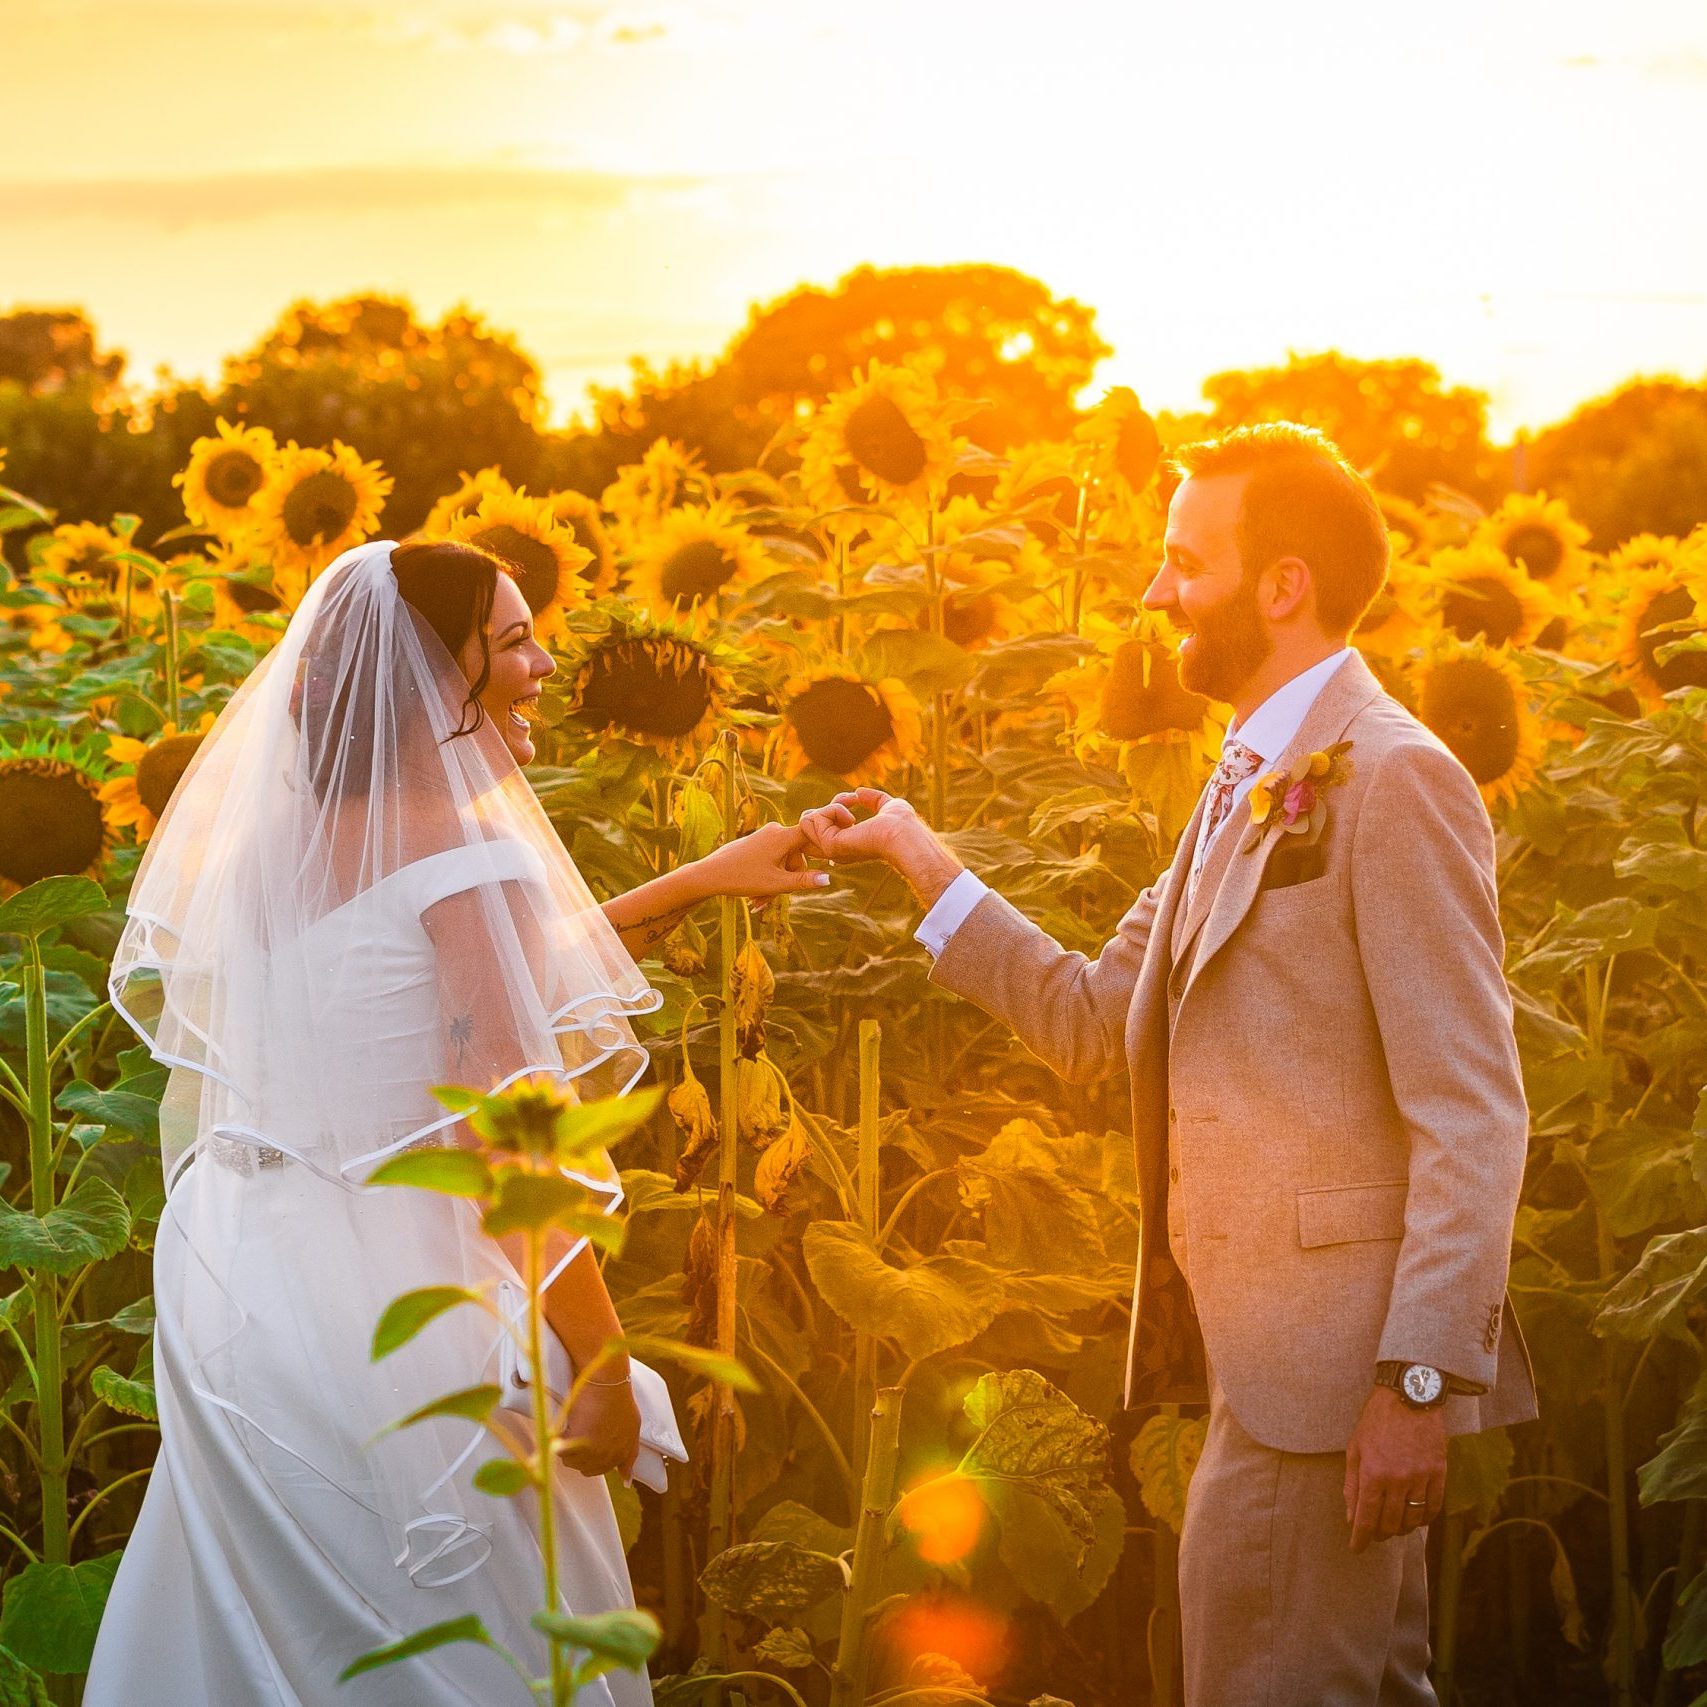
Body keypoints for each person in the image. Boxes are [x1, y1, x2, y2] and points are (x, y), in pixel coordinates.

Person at [800, 424, 1538, 1706]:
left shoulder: (1397, 780)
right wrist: (923, 862)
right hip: (1259, 1362)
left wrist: (1415, 1384)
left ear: (1282, 584)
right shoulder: (1242, 779)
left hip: (1338, 1379)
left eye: (1184, 562)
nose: (1152, 594)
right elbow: (1094, 1018)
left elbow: (1472, 1112)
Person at [86, 539, 824, 1706]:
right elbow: (503, 1137)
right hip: (406, 1302)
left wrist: (702, 879)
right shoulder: (472, 856)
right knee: (488, 1636)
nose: (544, 662)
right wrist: (602, 1355)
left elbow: (433, 978)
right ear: (438, 675)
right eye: (516, 640)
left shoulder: (279, 851)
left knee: (259, 1624)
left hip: (252, 1289)